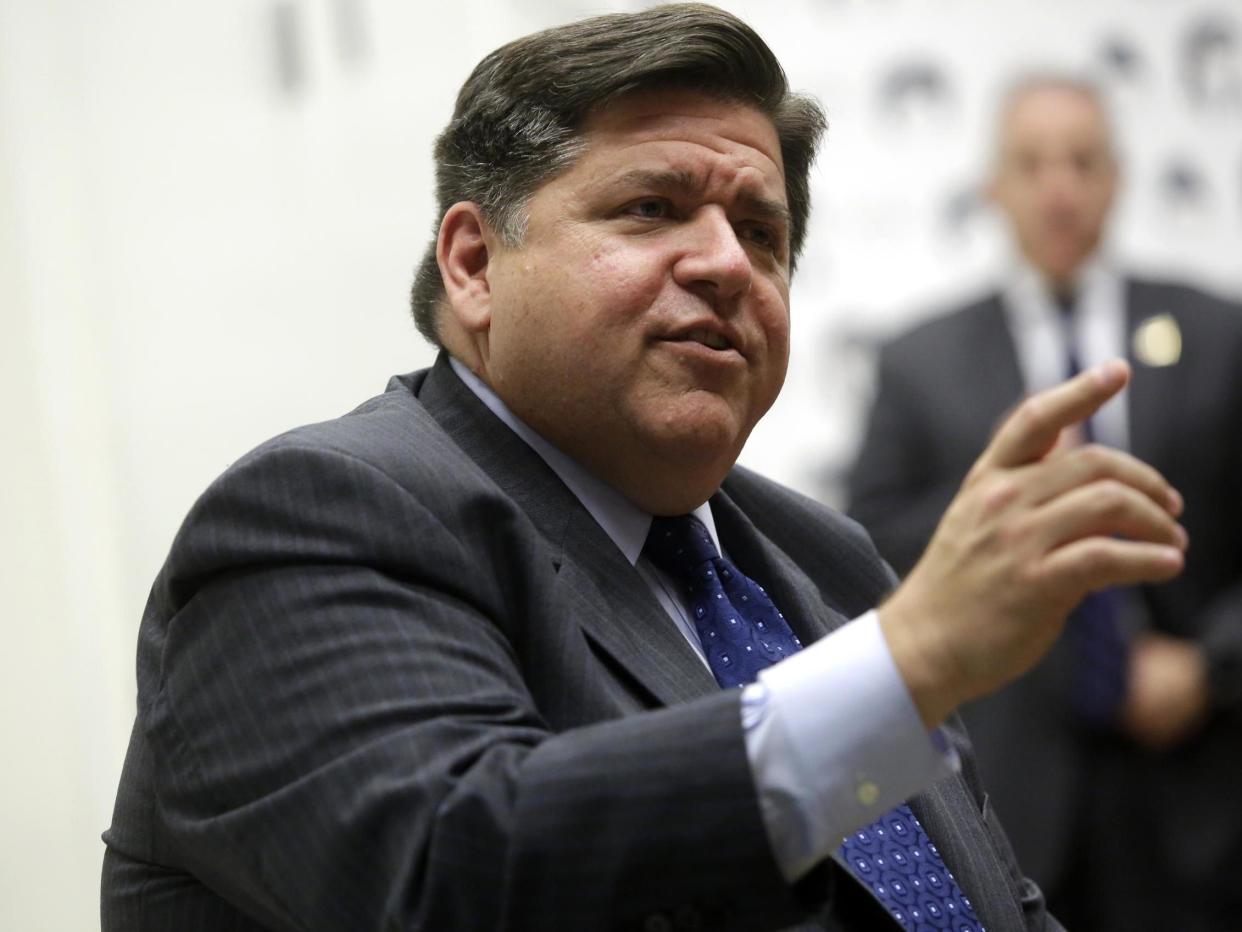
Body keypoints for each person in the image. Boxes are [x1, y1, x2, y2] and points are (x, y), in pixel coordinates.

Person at [102, 11, 1187, 931]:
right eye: (650, 208)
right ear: (475, 263)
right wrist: (910, 661)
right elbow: (453, 875)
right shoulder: (323, 512)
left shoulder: (824, 556)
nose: (726, 262)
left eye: (760, 232)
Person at [847, 74, 1242, 932]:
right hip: (1004, 784)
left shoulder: (1217, 334)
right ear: (994, 185)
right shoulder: (920, 361)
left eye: (1083, 161)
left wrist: (1210, 667)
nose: (1059, 188)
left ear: (1117, 178)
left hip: (1197, 785)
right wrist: (993, 492)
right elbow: (861, 554)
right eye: (1032, 164)